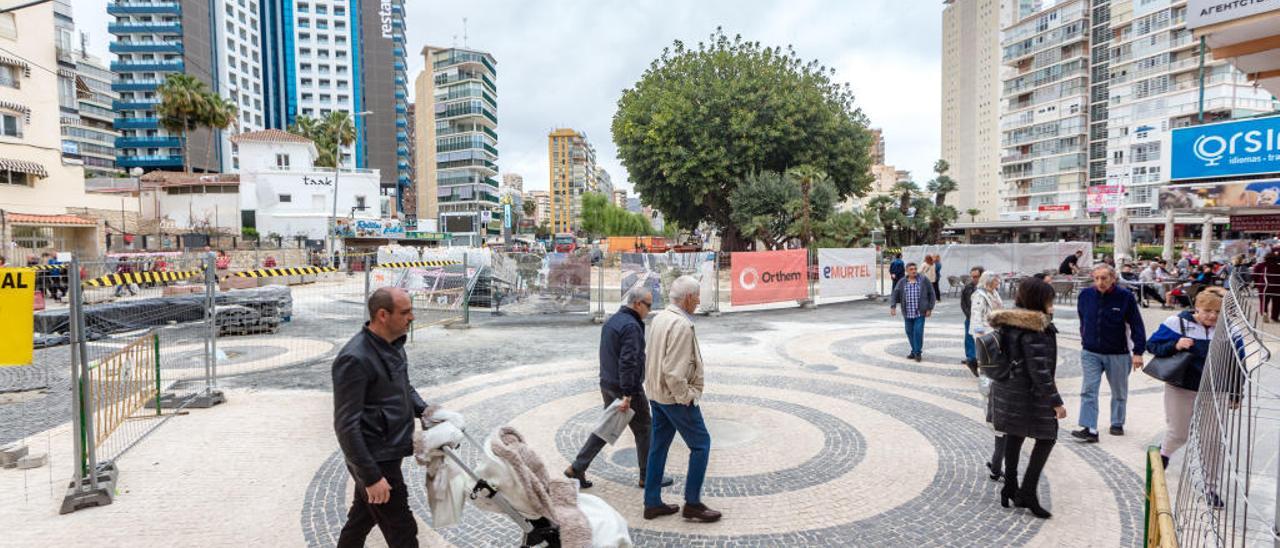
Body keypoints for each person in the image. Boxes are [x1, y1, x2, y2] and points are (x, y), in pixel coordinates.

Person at [332, 287, 427, 547]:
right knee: (402, 530)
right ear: (383, 315)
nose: (412, 317)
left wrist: (426, 410)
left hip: (386, 451)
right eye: (405, 312)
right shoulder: (354, 358)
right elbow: (345, 425)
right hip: (375, 458)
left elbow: (403, 387)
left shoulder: (393, 344)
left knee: (362, 518)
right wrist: (371, 477)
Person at [565, 286, 673, 490]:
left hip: (607, 383)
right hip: (625, 387)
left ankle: (577, 467)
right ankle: (647, 476)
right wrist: (629, 395)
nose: (649, 310)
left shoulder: (613, 320)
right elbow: (628, 362)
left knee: (608, 426)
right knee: (644, 429)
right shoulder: (631, 326)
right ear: (637, 303)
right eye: (648, 305)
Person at [643, 275, 720, 523]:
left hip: (656, 395)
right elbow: (674, 372)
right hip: (674, 399)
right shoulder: (682, 326)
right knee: (701, 445)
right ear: (688, 298)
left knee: (658, 447)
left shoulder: (660, 318)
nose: (699, 301)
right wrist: (687, 397)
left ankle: (652, 502)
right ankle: (693, 504)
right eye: (697, 296)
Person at [989, 278, 1067, 519]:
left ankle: (1010, 486)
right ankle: (1028, 492)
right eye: (1048, 298)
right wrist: (1055, 401)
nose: (1051, 303)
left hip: (1007, 389)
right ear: (1038, 300)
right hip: (1028, 392)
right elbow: (1039, 369)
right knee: (1047, 436)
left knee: (1015, 433)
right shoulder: (1034, 326)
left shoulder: (1009, 321)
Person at [1147, 288, 1224, 472]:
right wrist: (1175, 344)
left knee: (1211, 439)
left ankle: (1210, 485)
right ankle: (1164, 454)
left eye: (1218, 312)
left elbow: (1239, 360)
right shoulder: (1177, 323)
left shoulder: (1228, 328)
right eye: (1207, 311)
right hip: (1181, 387)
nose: (1213, 316)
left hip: (1215, 390)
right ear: (1196, 308)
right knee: (1179, 433)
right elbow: (1152, 345)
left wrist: (1237, 393)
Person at [1073, 264, 1146, 443]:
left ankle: (1117, 423)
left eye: (1104, 278)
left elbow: (1137, 325)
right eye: (1096, 278)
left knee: (1119, 391)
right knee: (1089, 390)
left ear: (1113, 278)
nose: (1100, 282)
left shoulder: (1125, 297)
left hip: (1118, 353)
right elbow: (1083, 319)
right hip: (1090, 352)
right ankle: (1089, 427)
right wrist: (1085, 339)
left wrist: (1138, 352)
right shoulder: (1085, 295)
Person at [969, 271, 1005, 479]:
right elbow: (976, 318)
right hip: (987, 338)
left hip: (997, 335)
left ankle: (997, 462)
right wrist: (981, 340)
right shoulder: (979, 296)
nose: (998, 284)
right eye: (996, 281)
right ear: (989, 282)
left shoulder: (995, 294)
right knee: (987, 375)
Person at [889, 263, 936, 362]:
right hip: (907, 313)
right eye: (911, 269)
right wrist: (893, 306)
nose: (914, 271)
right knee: (909, 332)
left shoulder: (923, 280)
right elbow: (895, 293)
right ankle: (914, 350)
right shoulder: (902, 282)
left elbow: (931, 293)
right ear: (907, 271)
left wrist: (929, 308)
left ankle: (917, 353)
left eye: (915, 269)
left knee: (918, 332)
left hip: (920, 313)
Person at [960, 266, 985, 370]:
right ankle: (971, 358)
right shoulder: (968, 287)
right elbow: (963, 303)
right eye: (973, 277)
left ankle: (982, 358)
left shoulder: (986, 287)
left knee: (982, 338)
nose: (974, 279)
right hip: (970, 317)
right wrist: (969, 315)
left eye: (977, 276)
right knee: (969, 338)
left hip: (983, 319)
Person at [1255, 247, 1280, 323]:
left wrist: (1257, 283)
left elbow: (1255, 274)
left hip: (1263, 286)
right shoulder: (1278, 266)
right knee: (1276, 303)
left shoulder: (1261, 265)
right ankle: (1274, 317)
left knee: (1264, 302)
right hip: (1277, 287)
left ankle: (1264, 313)